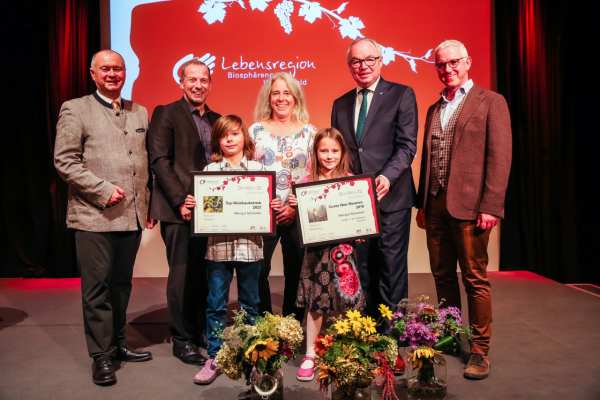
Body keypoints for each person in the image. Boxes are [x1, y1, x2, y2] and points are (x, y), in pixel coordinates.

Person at [54, 49, 155, 385]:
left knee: (121, 286)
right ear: (92, 73)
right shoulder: (75, 109)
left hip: (132, 217)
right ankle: (101, 356)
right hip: (94, 216)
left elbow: (146, 164)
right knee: (97, 289)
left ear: (126, 73)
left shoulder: (139, 111)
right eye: (106, 69)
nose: (113, 74)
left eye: (118, 69)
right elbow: (65, 162)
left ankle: (118, 345)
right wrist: (101, 190)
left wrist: (149, 205)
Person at [415, 40, 512, 380]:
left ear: (468, 61)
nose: (447, 69)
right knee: (442, 276)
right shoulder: (434, 108)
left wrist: (491, 205)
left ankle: (480, 351)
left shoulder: (491, 102)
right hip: (436, 202)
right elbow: (429, 158)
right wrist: (422, 203)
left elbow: (499, 158)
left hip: (472, 207)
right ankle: (450, 336)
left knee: (474, 279)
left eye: (453, 62)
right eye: (441, 65)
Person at [331, 38, 418, 332]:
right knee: (361, 267)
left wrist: (386, 177)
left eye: (369, 59)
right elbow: (341, 152)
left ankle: (392, 334)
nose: (363, 66)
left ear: (381, 61)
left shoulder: (402, 94)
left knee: (391, 268)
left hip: (391, 196)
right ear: (349, 66)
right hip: (356, 203)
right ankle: (366, 329)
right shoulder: (340, 103)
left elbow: (407, 146)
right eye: (356, 61)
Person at [192, 115, 282, 384]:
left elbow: (265, 206)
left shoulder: (259, 170)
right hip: (218, 249)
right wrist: (195, 204)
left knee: (250, 305)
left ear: (245, 136)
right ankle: (216, 356)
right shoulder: (208, 172)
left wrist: (273, 206)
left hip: (249, 248)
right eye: (223, 135)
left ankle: (253, 356)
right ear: (217, 140)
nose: (230, 139)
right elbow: (209, 209)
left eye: (234, 134)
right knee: (215, 305)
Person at [147, 60, 221, 365]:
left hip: (211, 211)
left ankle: (201, 331)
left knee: (206, 274)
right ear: (181, 81)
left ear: (210, 83)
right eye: (192, 79)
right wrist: (181, 200)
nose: (198, 85)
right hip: (179, 210)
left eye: (204, 80)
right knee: (181, 275)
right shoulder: (166, 112)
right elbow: (160, 160)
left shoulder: (217, 119)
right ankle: (182, 339)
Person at [289, 127, 366, 381]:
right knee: (316, 301)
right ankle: (311, 353)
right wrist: (295, 207)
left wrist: (361, 227)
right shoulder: (304, 184)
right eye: (324, 150)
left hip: (343, 251)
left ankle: (351, 348)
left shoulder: (352, 181)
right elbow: (305, 219)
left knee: (348, 297)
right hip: (316, 252)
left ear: (342, 152)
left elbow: (358, 216)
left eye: (334, 150)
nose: (329, 156)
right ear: (316, 152)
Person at [250, 72, 317, 322]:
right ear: (269, 98)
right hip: (263, 214)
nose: (281, 98)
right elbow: (246, 172)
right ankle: (265, 322)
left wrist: (294, 207)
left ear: (295, 97)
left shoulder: (310, 133)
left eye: (286, 93)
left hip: (298, 215)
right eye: (276, 93)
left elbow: (316, 174)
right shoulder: (255, 131)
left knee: (297, 272)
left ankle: (291, 325)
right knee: (257, 270)